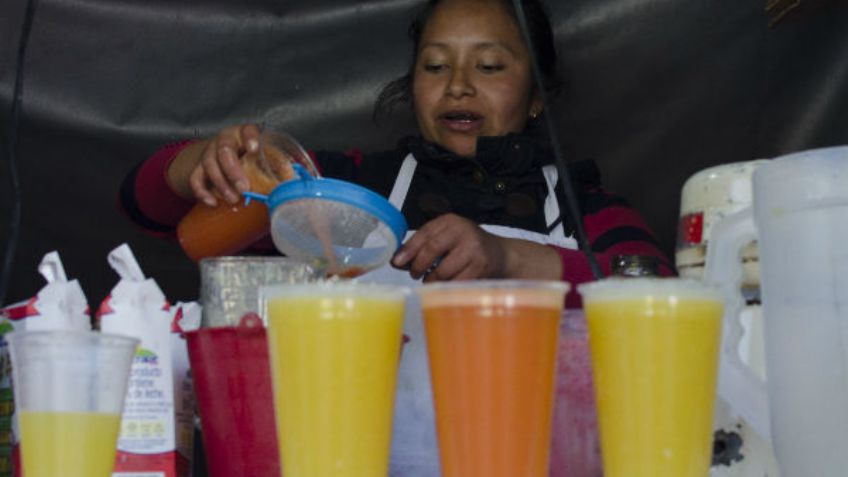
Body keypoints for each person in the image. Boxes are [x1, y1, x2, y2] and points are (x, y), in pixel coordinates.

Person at [119, 0, 673, 474]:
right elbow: (152, 212)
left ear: (535, 97)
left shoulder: (579, 204)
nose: (458, 84)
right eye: (435, 66)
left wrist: (509, 257)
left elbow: (658, 299)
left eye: (489, 64)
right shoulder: (349, 191)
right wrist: (197, 164)